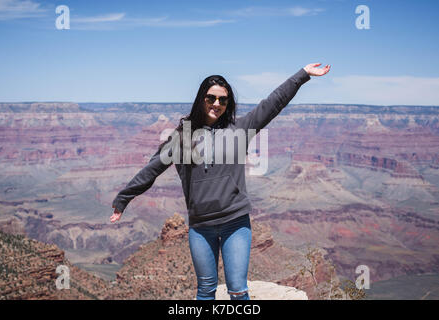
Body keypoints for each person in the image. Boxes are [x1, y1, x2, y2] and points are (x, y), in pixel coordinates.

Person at [110, 63, 331, 300]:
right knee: (205, 290)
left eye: (223, 100)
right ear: (201, 99)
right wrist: (123, 199)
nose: (217, 104)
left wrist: (303, 75)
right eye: (211, 98)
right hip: (201, 226)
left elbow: (273, 103)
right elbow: (152, 169)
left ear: (228, 104)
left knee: (237, 289)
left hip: (235, 222)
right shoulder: (181, 137)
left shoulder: (240, 129)